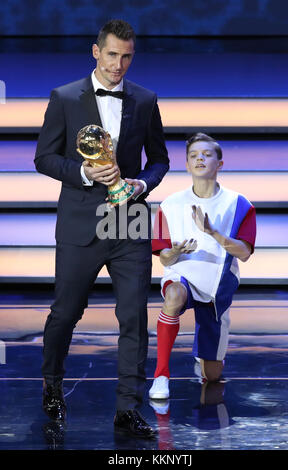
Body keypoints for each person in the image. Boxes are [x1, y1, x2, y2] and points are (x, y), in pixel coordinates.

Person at [34, 19, 169, 438]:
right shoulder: (65, 97)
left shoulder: (145, 100)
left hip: (128, 219)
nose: (119, 65)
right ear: (96, 52)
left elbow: (159, 159)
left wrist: (141, 183)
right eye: (112, 55)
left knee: (134, 318)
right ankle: (52, 388)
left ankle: (128, 408)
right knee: (66, 313)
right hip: (80, 221)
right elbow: (44, 158)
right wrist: (87, 173)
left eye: (127, 56)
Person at [149, 132, 256, 399]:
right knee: (173, 296)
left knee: (213, 376)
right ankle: (161, 375)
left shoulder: (239, 204)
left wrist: (213, 233)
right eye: (194, 155)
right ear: (186, 165)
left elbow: (244, 253)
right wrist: (173, 252)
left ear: (219, 164)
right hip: (182, 275)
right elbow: (163, 258)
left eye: (207, 155)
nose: (200, 159)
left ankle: (205, 358)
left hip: (216, 288)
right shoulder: (170, 205)